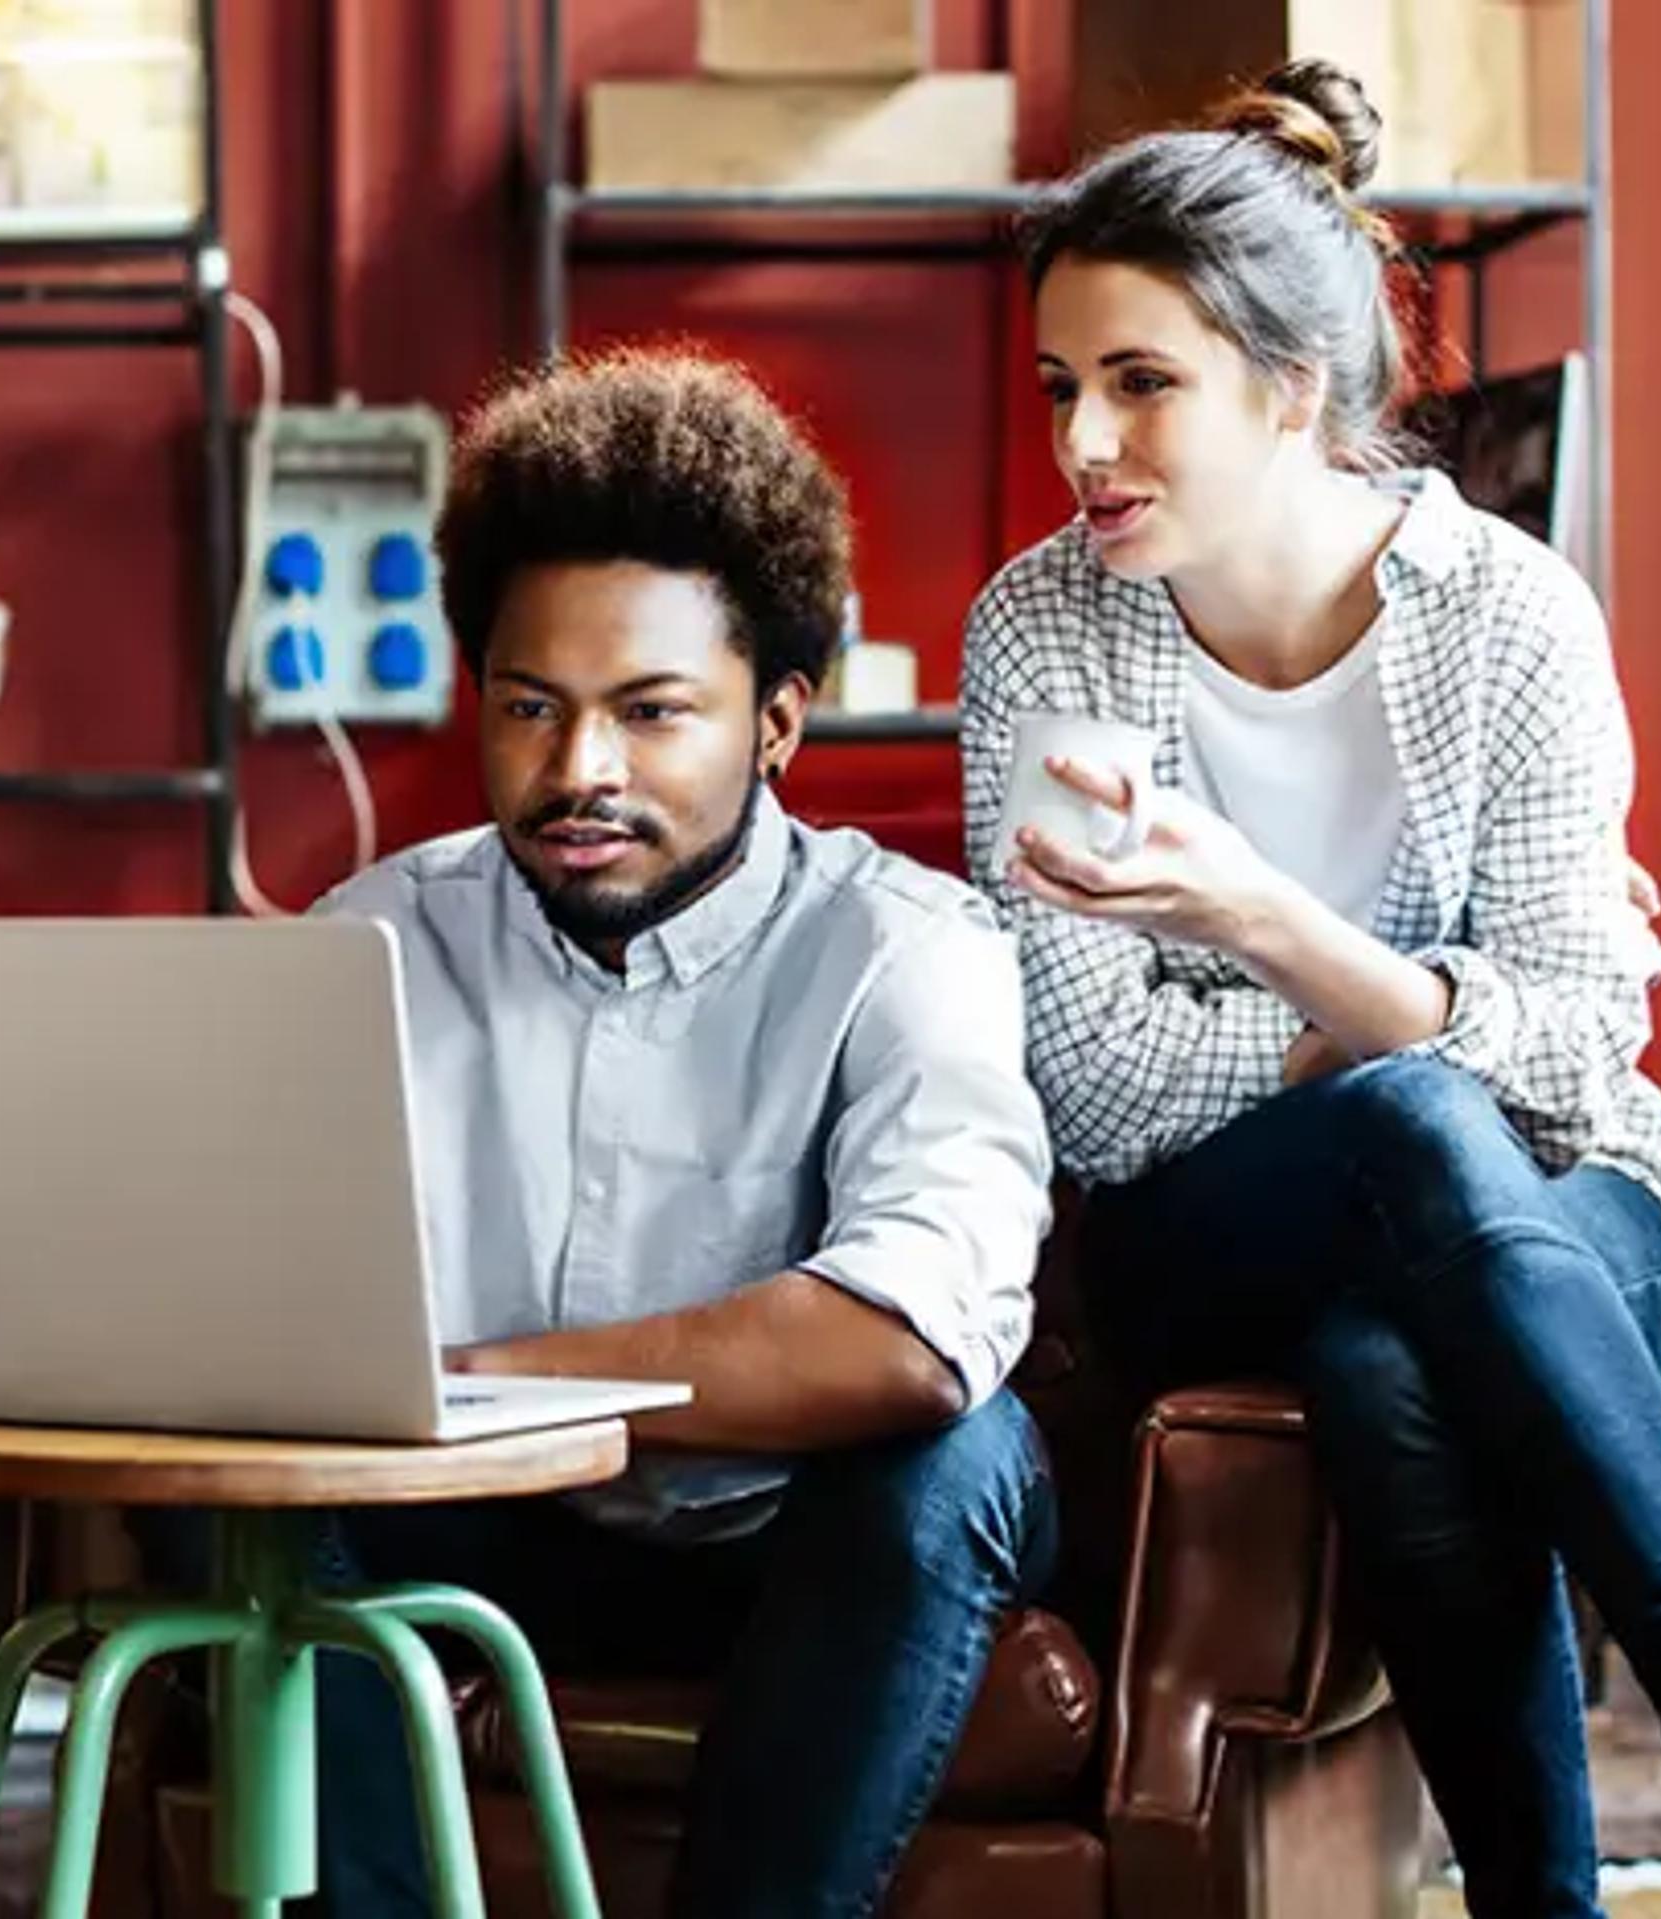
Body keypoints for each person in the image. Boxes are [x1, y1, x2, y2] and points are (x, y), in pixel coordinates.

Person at [958, 58, 1661, 1919]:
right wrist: (1396, 1002)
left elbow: (1577, 1067)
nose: (1086, 442)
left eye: (1143, 383)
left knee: (1391, 1359)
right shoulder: (1042, 622)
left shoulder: (1511, 611)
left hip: (1567, 1207)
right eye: (1066, 385)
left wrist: (1257, 920)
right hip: (1210, 1231)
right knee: (1411, 1109)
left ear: (1293, 391)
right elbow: (1102, 1091)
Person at [146, 348, 1056, 1919]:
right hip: (483, 1537)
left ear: (776, 722)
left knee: (951, 1462)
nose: (581, 773)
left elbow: (909, 1341)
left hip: (794, 1542)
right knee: (224, 1493)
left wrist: (472, 1384)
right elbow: (252, 1311)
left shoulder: (911, 948)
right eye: (531, 709)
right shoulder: (367, 943)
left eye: (651, 714)